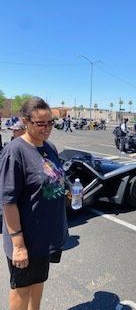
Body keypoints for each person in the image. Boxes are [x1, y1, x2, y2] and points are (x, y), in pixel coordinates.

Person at [0, 97, 69, 310]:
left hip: (47, 236)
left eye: (50, 123)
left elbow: (51, 179)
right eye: (40, 123)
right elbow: (8, 202)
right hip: (26, 240)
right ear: (26, 121)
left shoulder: (50, 147)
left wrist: (64, 192)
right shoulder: (15, 151)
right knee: (22, 290)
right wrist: (18, 245)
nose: (46, 128)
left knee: (38, 282)